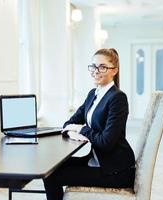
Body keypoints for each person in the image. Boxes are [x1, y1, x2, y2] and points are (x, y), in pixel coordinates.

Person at [43, 48, 135, 200]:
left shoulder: (118, 98)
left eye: (102, 67)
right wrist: (74, 130)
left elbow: (106, 142)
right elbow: (70, 122)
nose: (96, 71)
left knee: (52, 177)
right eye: (93, 66)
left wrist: (81, 129)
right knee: (50, 170)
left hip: (115, 170)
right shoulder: (93, 94)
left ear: (115, 71)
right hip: (96, 160)